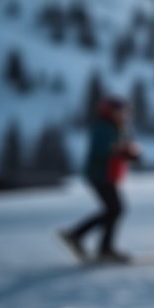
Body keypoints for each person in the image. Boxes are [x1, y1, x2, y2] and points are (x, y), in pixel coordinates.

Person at [59, 96, 141, 264]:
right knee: (115, 209)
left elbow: (117, 150)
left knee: (113, 210)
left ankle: (85, 239)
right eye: (120, 111)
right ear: (110, 111)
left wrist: (128, 154)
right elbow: (102, 151)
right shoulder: (104, 127)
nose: (123, 114)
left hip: (107, 175)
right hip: (100, 176)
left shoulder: (115, 127)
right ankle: (94, 244)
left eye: (124, 111)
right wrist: (124, 153)